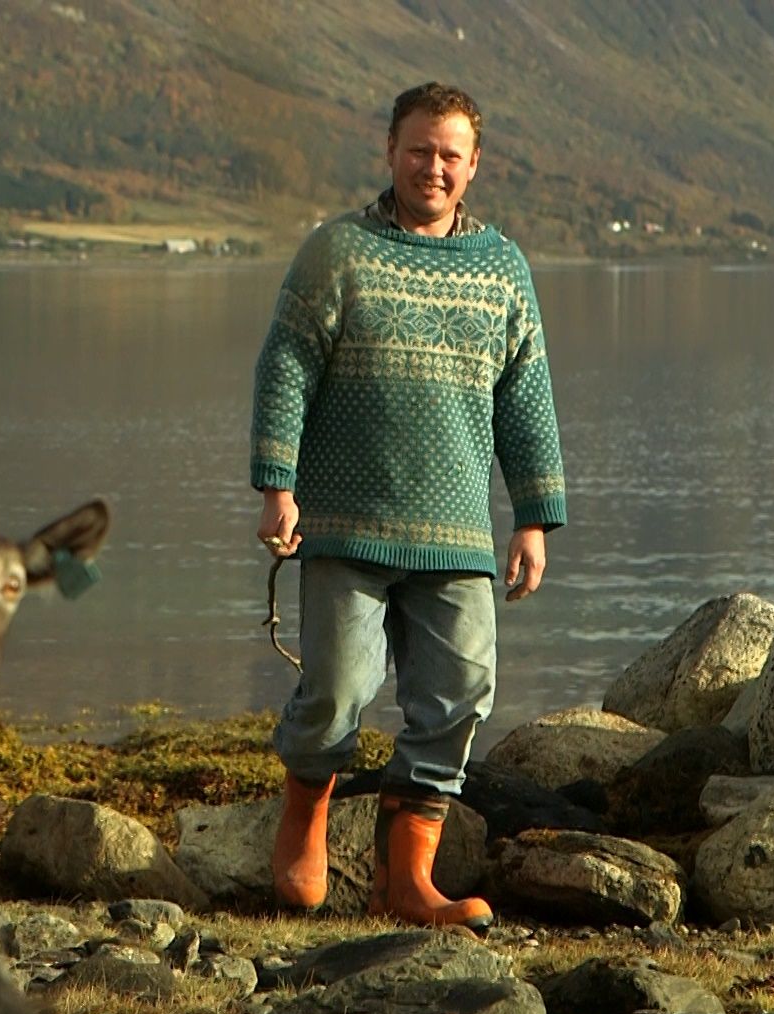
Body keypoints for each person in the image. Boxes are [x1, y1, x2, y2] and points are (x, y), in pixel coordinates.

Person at [249, 83, 566, 930]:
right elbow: (287, 362)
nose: (434, 166)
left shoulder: (503, 268)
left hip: (459, 528)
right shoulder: (337, 251)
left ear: (474, 167)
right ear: (390, 151)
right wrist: (277, 484)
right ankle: (304, 820)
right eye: (420, 149)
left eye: (450, 154)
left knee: (462, 691)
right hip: (345, 521)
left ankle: (407, 883)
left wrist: (532, 518)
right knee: (338, 687)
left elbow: (525, 396)